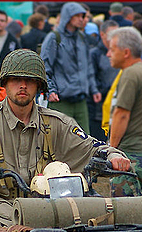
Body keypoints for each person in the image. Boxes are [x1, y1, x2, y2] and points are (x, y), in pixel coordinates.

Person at [0, 49, 131, 232]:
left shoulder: (57, 123)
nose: (22, 86)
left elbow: (92, 147)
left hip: (52, 212)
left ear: (39, 86)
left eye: (29, 81)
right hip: (0, 212)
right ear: (4, 84)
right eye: (15, 80)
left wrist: (113, 156)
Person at [106, 26, 142, 214]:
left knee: (126, 216)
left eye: (112, 49)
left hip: (130, 157)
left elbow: (121, 114)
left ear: (126, 52)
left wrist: (111, 150)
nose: (108, 54)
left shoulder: (130, 74)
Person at [40, 2, 101, 134]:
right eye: (77, 16)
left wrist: (94, 89)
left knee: (84, 141)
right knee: (59, 140)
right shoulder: (54, 38)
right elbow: (44, 66)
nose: (81, 19)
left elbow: (88, 66)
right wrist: (51, 90)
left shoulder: (82, 38)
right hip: (60, 100)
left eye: (82, 16)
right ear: (68, 16)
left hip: (80, 100)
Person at [89, 20, 120, 141]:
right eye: (112, 34)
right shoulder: (95, 54)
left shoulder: (120, 53)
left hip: (116, 108)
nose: (115, 38)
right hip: (99, 111)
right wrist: (110, 89)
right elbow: (92, 80)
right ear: (102, 35)